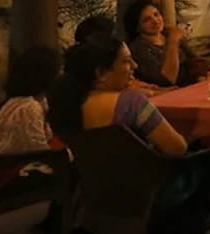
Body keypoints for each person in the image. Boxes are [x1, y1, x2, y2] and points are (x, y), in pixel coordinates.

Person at [48, 34, 187, 155]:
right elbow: (177, 148)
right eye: (126, 61)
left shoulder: (64, 105)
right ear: (101, 73)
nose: (135, 66)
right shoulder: (131, 103)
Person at [0, 48, 63, 234]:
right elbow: (41, 153)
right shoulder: (27, 107)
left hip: (12, 175)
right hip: (8, 183)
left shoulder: (20, 102)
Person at [124, 0, 210, 88]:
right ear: (137, 27)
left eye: (156, 14)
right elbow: (167, 80)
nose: (155, 21)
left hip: (191, 87)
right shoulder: (137, 48)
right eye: (147, 20)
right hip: (166, 92)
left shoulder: (168, 34)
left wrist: (199, 76)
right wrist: (173, 42)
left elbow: (196, 60)